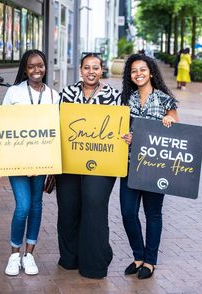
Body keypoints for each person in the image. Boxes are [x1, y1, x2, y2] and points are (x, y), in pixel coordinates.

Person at [56, 52, 121, 279]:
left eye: (95, 67)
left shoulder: (114, 96)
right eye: (87, 67)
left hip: (102, 163)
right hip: (70, 162)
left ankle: (94, 263)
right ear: (80, 69)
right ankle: (70, 258)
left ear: (101, 70)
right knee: (68, 207)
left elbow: (123, 126)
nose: (91, 72)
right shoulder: (66, 93)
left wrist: (126, 136)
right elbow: (56, 125)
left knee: (94, 206)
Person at [120, 54, 179, 279]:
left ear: (151, 72)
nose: (138, 74)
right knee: (127, 212)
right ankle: (138, 255)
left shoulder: (165, 100)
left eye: (142, 69)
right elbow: (121, 128)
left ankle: (150, 261)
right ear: (130, 76)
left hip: (156, 167)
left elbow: (175, 129)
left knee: (153, 214)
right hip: (130, 164)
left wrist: (169, 121)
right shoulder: (127, 99)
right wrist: (126, 136)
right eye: (134, 71)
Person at [3, 49, 60, 276]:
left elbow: (56, 131)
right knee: (23, 207)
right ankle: (14, 255)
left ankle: (29, 255)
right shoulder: (14, 93)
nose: (37, 70)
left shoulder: (53, 96)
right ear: (25, 69)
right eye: (32, 66)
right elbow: (3, 126)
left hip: (42, 162)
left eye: (41, 66)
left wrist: (53, 167)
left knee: (36, 206)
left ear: (45, 67)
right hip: (17, 162)